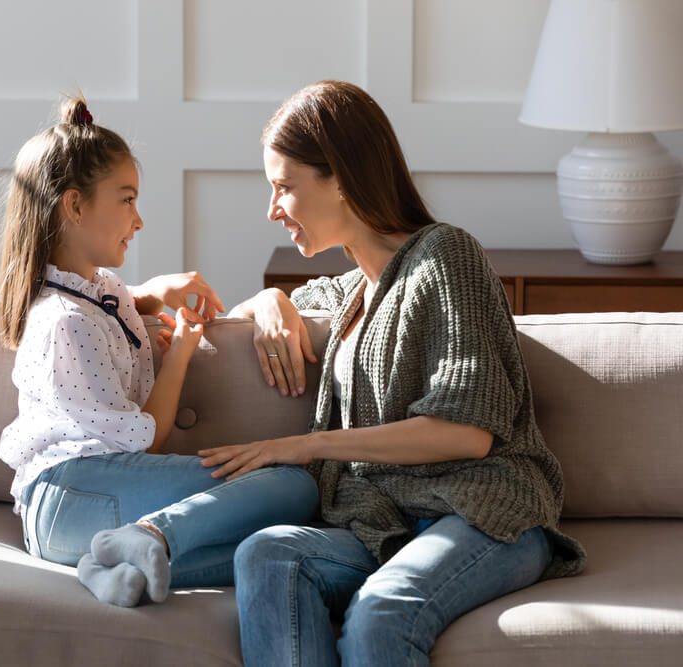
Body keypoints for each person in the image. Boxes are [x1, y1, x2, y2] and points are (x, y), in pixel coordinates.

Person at [199, 81, 587, 666]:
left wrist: (306, 446)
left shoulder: (446, 256)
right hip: (386, 526)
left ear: (342, 176)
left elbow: (466, 432)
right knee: (267, 555)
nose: (272, 209)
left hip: (482, 515)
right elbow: (254, 309)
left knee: (383, 608)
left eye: (284, 187)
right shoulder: (352, 290)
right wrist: (270, 302)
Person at [0, 95, 319, 608]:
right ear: (75, 206)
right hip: (75, 494)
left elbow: (113, 305)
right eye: (127, 200)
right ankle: (134, 542)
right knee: (294, 488)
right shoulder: (66, 322)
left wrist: (153, 293)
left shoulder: (89, 294)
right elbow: (144, 439)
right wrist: (182, 352)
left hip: (72, 517)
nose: (139, 220)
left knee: (281, 550)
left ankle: (112, 564)